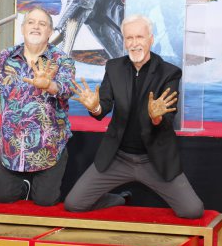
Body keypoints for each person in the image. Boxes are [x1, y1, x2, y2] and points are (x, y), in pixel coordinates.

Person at [64, 14, 204, 218]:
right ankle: (120, 199)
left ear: (150, 39)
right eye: (129, 38)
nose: (134, 43)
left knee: (192, 211)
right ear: (124, 41)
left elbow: (166, 119)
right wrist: (94, 107)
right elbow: (102, 107)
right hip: (117, 158)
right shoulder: (113, 67)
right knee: (74, 204)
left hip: (153, 160)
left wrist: (155, 117)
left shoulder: (169, 73)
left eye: (139, 37)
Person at [0, 7, 75, 206]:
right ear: (23, 28)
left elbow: (67, 88)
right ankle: (24, 186)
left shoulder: (62, 60)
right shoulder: (4, 58)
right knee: (2, 197)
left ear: (50, 32)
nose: (36, 27)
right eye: (31, 22)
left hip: (49, 145)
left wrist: (49, 85)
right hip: (12, 144)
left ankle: (39, 187)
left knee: (45, 200)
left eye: (42, 24)